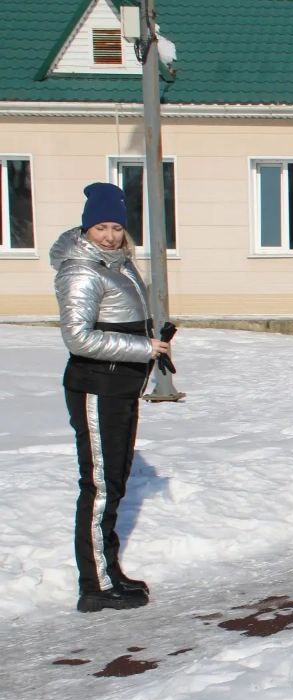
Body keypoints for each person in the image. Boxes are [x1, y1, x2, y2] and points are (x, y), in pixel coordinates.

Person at [53, 183, 170, 613]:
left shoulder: (117, 265)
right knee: (100, 485)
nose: (109, 235)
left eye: (116, 227)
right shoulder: (81, 270)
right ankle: (95, 586)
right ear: (87, 228)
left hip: (118, 388)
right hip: (96, 387)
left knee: (114, 482)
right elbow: (78, 337)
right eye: (101, 227)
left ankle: (109, 570)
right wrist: (143, 349)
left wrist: (151, 339)